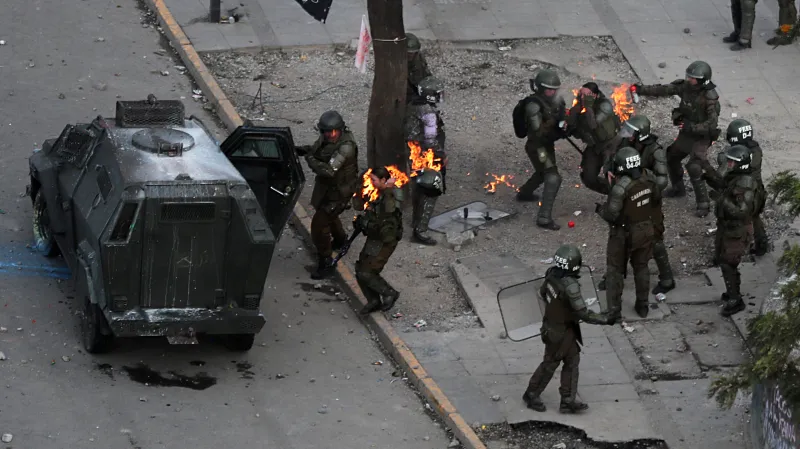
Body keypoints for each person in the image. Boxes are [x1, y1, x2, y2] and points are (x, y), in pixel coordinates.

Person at [522, 244, 614, 414]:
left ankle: (568, 400)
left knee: (572, 361)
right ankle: (531, 394)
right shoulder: (570, 286)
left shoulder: (551, 275)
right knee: (550, 364)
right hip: (561, 333)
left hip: (555, 328)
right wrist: (606, 319)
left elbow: (543, 294)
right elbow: (584, 313)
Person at [633, 61, 721, 218]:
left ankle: (704, 203)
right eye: (688, 76)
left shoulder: (710, 99)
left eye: (693, 78)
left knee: (694, 166)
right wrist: (641, 90)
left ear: (702, 80)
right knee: (672, 156)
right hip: (687, 133)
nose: (689, 80)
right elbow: (665, 89)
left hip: (701, 137)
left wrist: (691, 127)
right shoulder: (685, 87)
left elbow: (711, 125)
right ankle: (678, 188)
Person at [598, 116, 675, 294]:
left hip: (646, 200)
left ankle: (667, 277)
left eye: (632, 131)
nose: (628, 134)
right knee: (618, 237)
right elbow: (611, 159)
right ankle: (611, 277)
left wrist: (641, 182)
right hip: (624, 197)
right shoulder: (625, 143)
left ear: (641, 134)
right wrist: (609, 170)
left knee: (654, 238)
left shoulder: (655, 151)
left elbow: (662, 180)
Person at [597, 147, 661, 319]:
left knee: (614, 271)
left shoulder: (620, 188)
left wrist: (600, 209)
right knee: (641, 267)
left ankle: (613, 311)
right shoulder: (649, 177)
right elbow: (655, 199)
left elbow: (612, 215)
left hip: (623, 234)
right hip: (645, 228)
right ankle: (643, 306)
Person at [296, 111, 359, 280]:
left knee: (318, 226)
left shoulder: (346, 147)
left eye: (334, 132)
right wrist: (305, 150)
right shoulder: (328, 138)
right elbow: (320, 152)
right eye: (327, 132)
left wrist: (309, 159)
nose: (330, 135)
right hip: (329, 189)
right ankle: (340, 240)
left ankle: (326, 261)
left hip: (339, 192)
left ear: (340, 129)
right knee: (327, 213)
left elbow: (329, 170)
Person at [702, 145, 758, 316]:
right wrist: (708, 173)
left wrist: (721, 201)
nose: (729, 164)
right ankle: (731, 290)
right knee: (721, 258)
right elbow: (723, 185)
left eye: (732, 161)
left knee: (728, 263)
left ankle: (735, 299)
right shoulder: (736, 177)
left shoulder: (746, 184)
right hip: (727, 226)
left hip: (737, 230)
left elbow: (741, 211)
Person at [513, 69, 568, 230]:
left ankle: (524, 193)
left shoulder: (556, 101)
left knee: (542, 172)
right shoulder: (533, 106)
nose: (552, 92)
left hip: (546, 145)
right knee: (552, 176)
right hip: (538, 147)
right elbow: (538, 134)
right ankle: (544, 218)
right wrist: (555, 126)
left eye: (554, 89)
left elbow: (562, 116)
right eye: (548, 89)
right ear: (540, 88)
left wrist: (564, 124)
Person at [354, 167, 403, 315]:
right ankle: (373, 300)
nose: (371, 182)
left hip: (386, 239)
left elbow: (388, 211)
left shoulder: (393, 193)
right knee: (360, 269)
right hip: (375, 237)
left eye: (374, 179)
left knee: (368, 272)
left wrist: (388, 189)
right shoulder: (375, 191)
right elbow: (359, 205)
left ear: (383, 180)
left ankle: (389, 293)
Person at [405, 76, 447, 245]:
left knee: (418, 185)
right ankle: (420, 230)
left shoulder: (413, 105)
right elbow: (431, 139)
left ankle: (416, 220)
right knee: (431, 189)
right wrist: (441, 156)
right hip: (426, 155)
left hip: (413, 153)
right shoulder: (428, 113)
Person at [722, 119, 768, 255]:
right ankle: (761, 245)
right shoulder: (755, 149)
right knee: (755, 218)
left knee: (735, 222)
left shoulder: (743, 155)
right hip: (757, 191)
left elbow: (727, 171)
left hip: (745, 192)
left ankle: (730, 252)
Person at [566, 82, 621, 194]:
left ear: (595, 96)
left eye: (586, 95)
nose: (582, 97)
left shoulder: (604, 105)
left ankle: (619, 195)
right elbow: (571, 123)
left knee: (611, 173)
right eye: (581, 94)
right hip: (595, 146)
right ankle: (610, 192)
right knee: (588, 177)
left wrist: (589, 107)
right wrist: (576, 109)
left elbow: (593, 125)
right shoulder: (581, 104)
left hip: (611, 145)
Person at [406, 33, 433, 105]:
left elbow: (426, 74)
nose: (411, 55)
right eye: (408, 52)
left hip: (417, 88)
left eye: (413, 52)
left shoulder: (419, 58)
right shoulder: (397, 63)